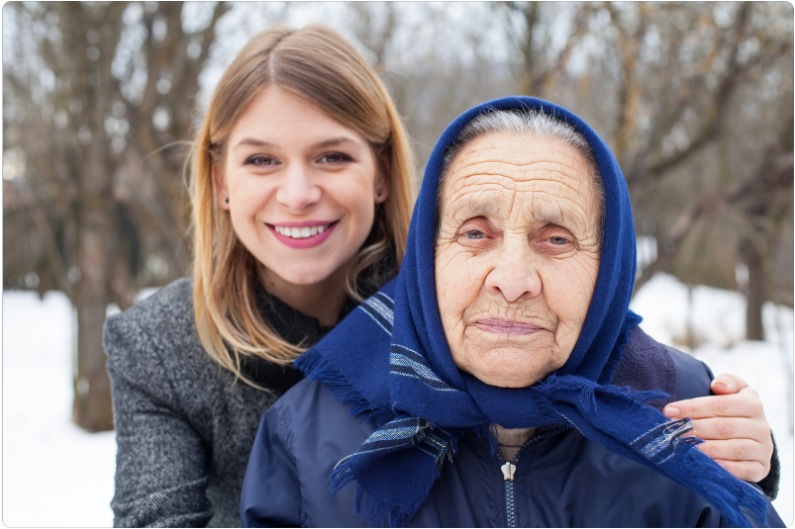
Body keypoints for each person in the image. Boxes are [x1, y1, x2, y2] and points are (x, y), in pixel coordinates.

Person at [240, 98, 784, 527]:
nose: (513, 279)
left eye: (556, 238)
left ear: (610, 267)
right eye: (475, 233)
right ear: (428, 257)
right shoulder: (304, 435)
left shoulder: (681, 412)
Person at [103, 24, 415, 527]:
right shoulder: (158, 347)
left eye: (331, 156)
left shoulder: (454, 320)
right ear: (221, 181)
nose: (297, 194)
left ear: (379, 173)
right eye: (262, 160)